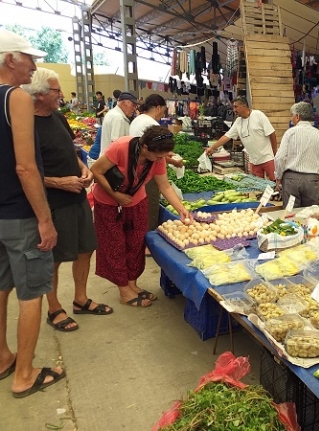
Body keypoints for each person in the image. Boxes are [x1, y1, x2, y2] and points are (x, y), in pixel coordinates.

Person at [22, 68, 113, 332]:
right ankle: (54, 308)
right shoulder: (25, 125)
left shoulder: (58, 117)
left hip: (77, 197)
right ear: (39, 94)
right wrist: (58, 182)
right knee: (55, 257)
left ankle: (80, 299)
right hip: (52, 202)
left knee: (86, 248)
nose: (61, 94)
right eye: (56, 90)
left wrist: (82, 169)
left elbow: (69, 150)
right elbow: (24, 171)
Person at [0, 29, 65, 398]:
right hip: (21, 215)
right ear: (10, 59)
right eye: (29, 58)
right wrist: (44, 218)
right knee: (31, 292)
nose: (34, 66)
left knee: (1, 286)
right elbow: (26, 167)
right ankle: (24, 373)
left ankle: (3, 357)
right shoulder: (17, 99)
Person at [90, 126, 190, 307]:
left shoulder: (157, 158)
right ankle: (123, 291)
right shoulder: (121, 147)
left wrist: (181, 209)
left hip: (136, 200)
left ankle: (132, 285)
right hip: (109, 200)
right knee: (115, 244)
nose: (161, 160)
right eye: (159, 156)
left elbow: (165, 186)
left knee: (136, 243)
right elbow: (96, 171)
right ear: (145, 147)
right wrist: (116, 195)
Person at [129, 94, 184, 231]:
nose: (163, 114)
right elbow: (155, 154)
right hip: (147, 170)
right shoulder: (151, 124)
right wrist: (173, 161)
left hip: (136, 168)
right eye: (164, 110)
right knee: (150, 205)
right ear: (158, 108)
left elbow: (153, 150)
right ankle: (147, 239)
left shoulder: (138, 119)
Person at [274, 102, 319, 208]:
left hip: (291, 181)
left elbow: (280, 158)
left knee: (290, 214)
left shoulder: (290, 133)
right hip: (312, 181)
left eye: (292, 116)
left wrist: (278, 177)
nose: (291, 119)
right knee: (309, 215)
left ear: (297, 116)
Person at [205, 96, 278, 180]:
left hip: (268, 158)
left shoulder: (258, 115)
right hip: (254, 161)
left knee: (275, 184)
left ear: (243, 106)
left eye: (236, 107)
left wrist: (274, 152)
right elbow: (226, 137)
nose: (234, 110)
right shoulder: (238, 122)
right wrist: (212, 148)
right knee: (259, 187)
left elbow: (272, 133)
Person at [99, 91, 139, 157]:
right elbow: (116, 147)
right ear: (123, 103)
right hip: (112, 163)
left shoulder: (112, 113)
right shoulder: (119, 118)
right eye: (133, 105)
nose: (135, 109)